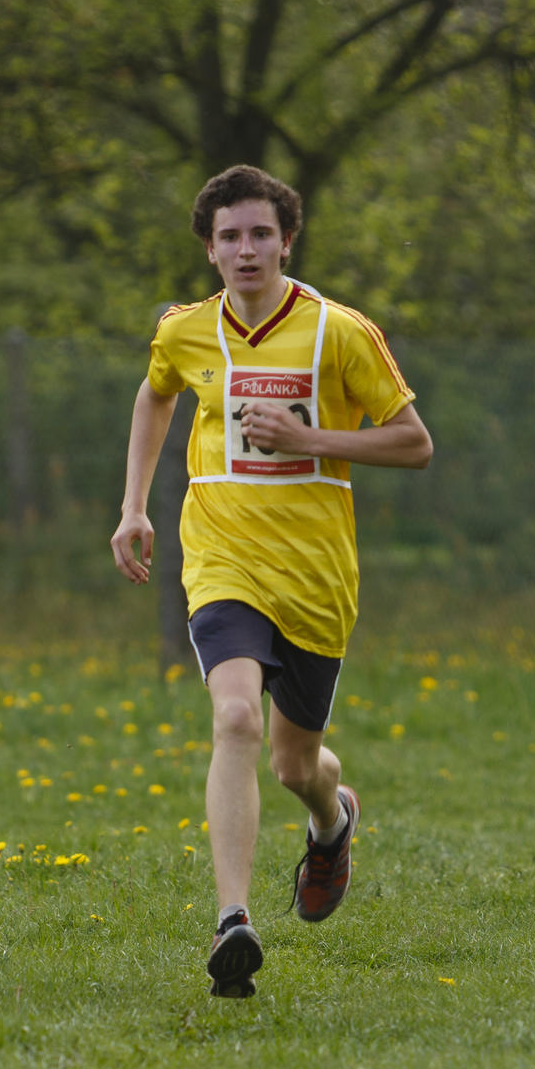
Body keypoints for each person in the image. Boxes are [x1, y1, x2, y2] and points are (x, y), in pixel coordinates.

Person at [110, 165, 433, 998]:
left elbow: (413, 443)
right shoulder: (185, 332)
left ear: (286, 242)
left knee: (296, 767)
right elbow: (155, 395)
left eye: (260, 233)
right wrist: (134, 506)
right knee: (234, 717)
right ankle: (233, 922)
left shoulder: (339, 333)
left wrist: (307, 438)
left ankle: (334, 819)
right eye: (230, 237)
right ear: (209, 250)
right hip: (221, 557)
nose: (245, 249)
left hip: (316, 576)